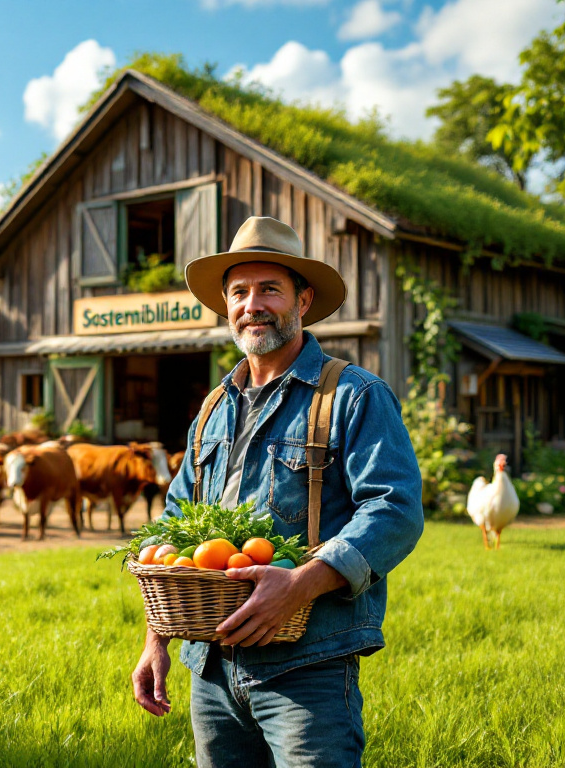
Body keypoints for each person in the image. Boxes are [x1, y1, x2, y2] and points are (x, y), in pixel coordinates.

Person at [131, 217, 424, 768]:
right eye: (239, 292)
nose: (252, 304)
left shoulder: (353, 395)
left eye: (269, 289)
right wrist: (157, 639)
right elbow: (172, 528)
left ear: (303, 300)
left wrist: (301, 584)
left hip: (306, 666)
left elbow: (395, 507)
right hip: (211, 666)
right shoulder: (213, 407)